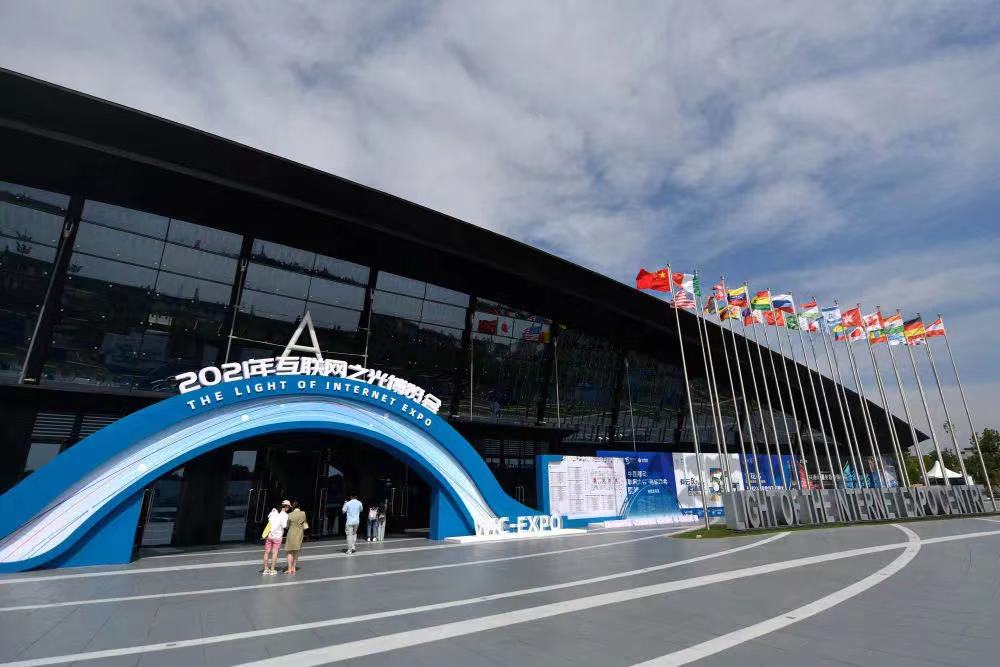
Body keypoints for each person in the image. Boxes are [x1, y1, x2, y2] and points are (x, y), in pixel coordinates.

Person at [262, 500, 290, 575]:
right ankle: (272, 569)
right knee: (275, 553)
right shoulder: (285, 515)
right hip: (277, 536)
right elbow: (284, 526)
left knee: (267, 552)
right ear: (287, 506)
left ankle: (265, 569)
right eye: (288, 507)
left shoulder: (274, 511)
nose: (288, 509)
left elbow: (269, 520)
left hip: (270, 535)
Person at [284, 501, 307, 574]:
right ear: (299, 507)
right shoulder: (303, 513)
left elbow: (287, 526)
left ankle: (289, 569)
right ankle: (294, 568)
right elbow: (305, 525)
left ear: (293, 507)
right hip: (299, 533)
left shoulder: (289, 515)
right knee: (296, 551)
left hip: (291, 533)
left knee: (289, 551)